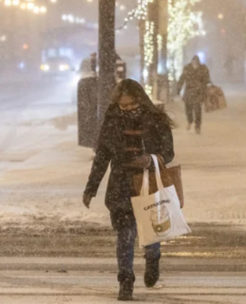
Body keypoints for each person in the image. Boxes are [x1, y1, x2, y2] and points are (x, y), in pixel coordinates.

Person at [82, 79, 175, 301]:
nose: (127, 110)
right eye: (123, 106)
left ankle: (153, 258)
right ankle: (125, 281)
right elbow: (102, 155)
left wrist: (151, 160)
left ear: (140, 100)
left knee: (150, 231)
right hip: (121, 185)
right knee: (125, 235)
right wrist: (91, 187)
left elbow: (168, 152)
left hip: (148, 183)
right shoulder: (112, 119)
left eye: (131, 105)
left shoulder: (155, 119)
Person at [177, 55, 211, 134]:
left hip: (198, 92)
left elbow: (207, 79)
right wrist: (178, 88)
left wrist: (204, 86)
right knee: (188, 108)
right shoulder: (187, 69)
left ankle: (197, 126)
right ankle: (190, 120)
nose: (195, 63)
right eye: (194, 61)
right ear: (192, 61)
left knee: (197, 110)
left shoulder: (203, 69)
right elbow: (182, 78)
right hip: (189, 91)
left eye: (196, 61)